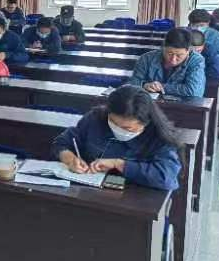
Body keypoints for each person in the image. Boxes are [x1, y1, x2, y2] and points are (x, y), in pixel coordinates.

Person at [51, 85, 182, 191]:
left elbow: (167, 178)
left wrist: (119, 164)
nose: (118, 129)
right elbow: (62, 142)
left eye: (127, 128)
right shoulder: (95, 118)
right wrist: (70, 159)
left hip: (133, 201)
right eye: (113, 122)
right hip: (87, 190)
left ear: (146, 122)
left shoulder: (159, 137)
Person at [128, 28, 205, 97]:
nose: (173, 60)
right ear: (163, 47)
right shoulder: (147, 58)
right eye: (169, 53)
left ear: (188, 51)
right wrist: (144, 85)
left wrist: (161, 87)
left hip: (183, 106)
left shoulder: (196, 60)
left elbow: (194, 91)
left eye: (179, 55)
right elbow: (131, 84)